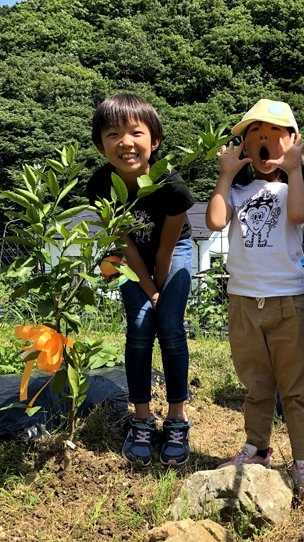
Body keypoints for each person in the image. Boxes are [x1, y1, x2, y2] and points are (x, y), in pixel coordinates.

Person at [205, 99, 304, 497]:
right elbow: (216, 221)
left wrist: (292, 169)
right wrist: (224, 175)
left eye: (275, 136)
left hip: (289, 301)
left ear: (293, 141)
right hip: (243, 300)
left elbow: (295, 216)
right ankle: (256, 449)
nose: (265, 144)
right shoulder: (238, 192)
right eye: (256, 137)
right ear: (244, 146)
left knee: (295, 389)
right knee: (256, 385)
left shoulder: (300, 190)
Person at [87, 93, 195, 468]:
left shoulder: (171, 184)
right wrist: (147, 288)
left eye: (136, 132)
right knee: (138, 326)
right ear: (101, 144)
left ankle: (178, 417)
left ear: (155, 140)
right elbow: (123, 244)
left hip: (173, 252)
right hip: (131, 257)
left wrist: (160, 286)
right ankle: (142, 418)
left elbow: (166, 249)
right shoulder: (100, 185)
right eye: (113, 133)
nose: (126, 142)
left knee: (169, 325)